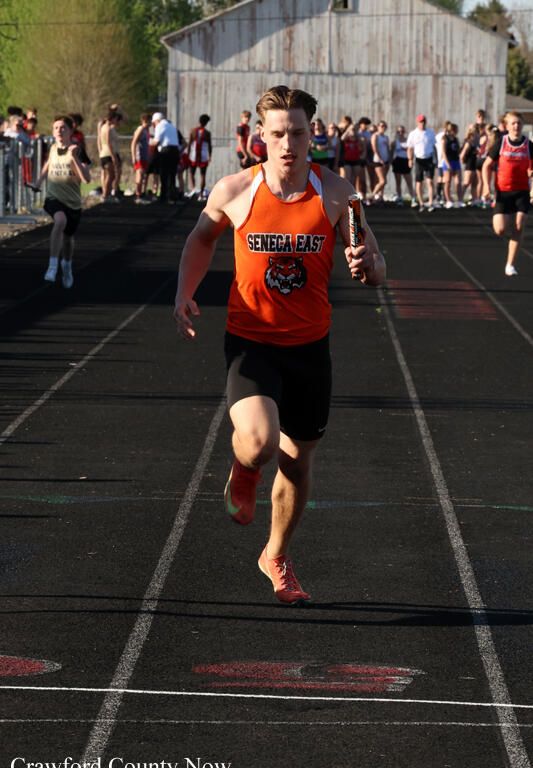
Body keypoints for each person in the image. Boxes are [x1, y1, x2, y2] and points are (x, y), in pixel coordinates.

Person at [173, 85, 385, 606]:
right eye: (277, 134)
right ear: (258, 138)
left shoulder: (338, 194)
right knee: (262, 442)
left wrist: (368, 268)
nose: (287, 143)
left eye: (297, 132)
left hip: (311, 348)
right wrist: (184, 292)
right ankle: (243, 469)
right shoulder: (235, 191)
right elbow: (201, 239)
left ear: (312, 134)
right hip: (252, 342)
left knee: (297, 461)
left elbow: (375, 260)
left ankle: (276, 555)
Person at [33, 114, 90, 288]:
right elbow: (48, 164)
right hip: (54, 197)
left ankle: (67, 267)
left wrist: (75, 159)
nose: (59, 131)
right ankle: (52, 265)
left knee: (68, 239)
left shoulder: (78, 150)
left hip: (72, 201)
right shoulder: (52, 148)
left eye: (62, 128)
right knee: (59, 220)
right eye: (56, 128)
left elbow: (87, 179)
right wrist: (38, 183)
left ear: (70, 131)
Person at [482, 110, 533, 277]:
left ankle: (510, 264)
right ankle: (509, 221)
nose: (516, 126)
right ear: (508, 125)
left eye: (519, 123)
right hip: (503, 192)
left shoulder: (528, 145)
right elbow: (486, 165)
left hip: (522, 192)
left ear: (522, 126)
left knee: (519, 225)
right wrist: (486, 187)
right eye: (513, 123)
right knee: (500, 230)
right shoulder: (501, 143)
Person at [407, 114, 436, 211]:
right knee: (419, 182)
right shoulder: (413, 134)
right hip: (419, 160)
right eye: (420, 121)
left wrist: (435, 159)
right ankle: (421, 203)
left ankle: (431, 203)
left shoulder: (430, 133)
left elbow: (434, 147)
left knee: (430, 181)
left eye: (423, 121)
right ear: (417, 122)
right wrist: (410, 160)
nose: (422, 123)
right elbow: (410, 148)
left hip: (429, 159)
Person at [151, 112, 180, 203]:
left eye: (154, 123)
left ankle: (163, 197)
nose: (154, 125)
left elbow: (156, 141)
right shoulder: (172, 126)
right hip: (175, 151)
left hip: (165, 151)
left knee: (163, 175)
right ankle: (172, 197)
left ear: (157, 120)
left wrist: (149, 144)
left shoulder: (160, 125)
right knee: (172, 175)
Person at [187, 114, 212, 201]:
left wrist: (188, 154)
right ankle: (201, 194)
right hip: (203, 156)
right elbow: (209, 146)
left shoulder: (192, 131)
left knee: (191, 173)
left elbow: (189, 144)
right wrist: (209, 156)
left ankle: (193, 189)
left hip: (193, 155)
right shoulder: (207, 133)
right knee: (203, 175)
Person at [98, 108, 121, 203]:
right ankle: (105, 195)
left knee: (111, 176)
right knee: (109, 175)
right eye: (115, 118)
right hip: (107, 154)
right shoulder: (106, 128)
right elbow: (108, 142)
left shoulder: (109, 127)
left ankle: (108, 194)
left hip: (109, 153)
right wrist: (113, 156)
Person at [441, 122, 464, 208]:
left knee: (458, 182)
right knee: (447, 182)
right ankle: (448, 200)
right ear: (452, 130)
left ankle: (460, 200)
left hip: (456, 161)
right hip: (448, 162)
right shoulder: (445, 139)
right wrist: (448, 165)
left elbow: (459, 151)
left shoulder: (456, 139)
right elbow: (443, 152)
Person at [131, 113, 152, 204]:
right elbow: (133, 142)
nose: (151, 123)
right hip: (139, 156)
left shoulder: (146, 131)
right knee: (139, 175)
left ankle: (141, 194)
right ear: (145, 121)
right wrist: (133, 156)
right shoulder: (141, 129)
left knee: (143, 176)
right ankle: (138, 195)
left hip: (144, 157)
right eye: (150, 121)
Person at [391, 125, 414, 205]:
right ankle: (400, 198)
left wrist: (411, 160)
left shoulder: (408, 141)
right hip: (398, 161)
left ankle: (413, 198)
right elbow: (391, 153)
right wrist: (391, 163)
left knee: (409, 182)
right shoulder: (394, 142)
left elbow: (411, 151)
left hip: (406, 161)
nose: (401, 133)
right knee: (398, 182)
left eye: (402, 131)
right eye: (399, 132)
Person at [371, 120, 390, 205]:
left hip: (385, 161)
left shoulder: (386, 137)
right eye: (381, 126)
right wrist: (380, 159)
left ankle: (380, 197)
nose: (382, 127)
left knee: (382, 181)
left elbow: (387, 149)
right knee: (382, 181)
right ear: (378, 127)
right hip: (378, 161)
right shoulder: (375, 136)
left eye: (384, 126)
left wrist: (388, 159)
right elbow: (374, 148)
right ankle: (372, 195)